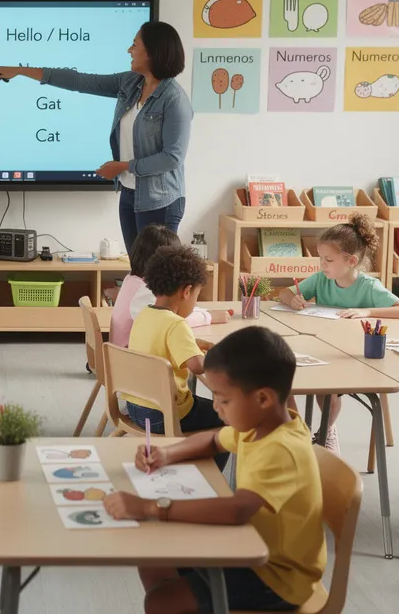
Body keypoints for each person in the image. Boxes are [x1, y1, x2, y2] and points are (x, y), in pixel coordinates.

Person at [104, 327, 325, 613]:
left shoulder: (281, 449)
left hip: (277, 576)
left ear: (263, 399)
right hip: (248, 544)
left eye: (224, 399)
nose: (217, 407)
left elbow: (237, 511)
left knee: (160, 602)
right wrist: (166, 454)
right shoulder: (260, 424)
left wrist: (150, 507)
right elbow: (213, 440)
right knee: (152, 555)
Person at [0, 21, 192, 255]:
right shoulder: (131, 83)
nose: (129, 50)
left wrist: (124, 166)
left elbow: (172, 157)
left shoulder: (174, 99)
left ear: (152, 53)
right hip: (130, 193)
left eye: (134, 45)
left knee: (155, 274)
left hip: (160, 200)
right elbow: (79, 81)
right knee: (138, 270)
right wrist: (19, 71)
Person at [273, 214, 399, 452]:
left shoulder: (369, 287)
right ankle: (296, 435)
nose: (322, 265)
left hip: (352, 356)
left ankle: (327, 430)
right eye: (320, 258)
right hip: (320, 350)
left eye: (328, 259)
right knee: (284, 381)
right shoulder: (321, 279)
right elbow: (285, 293)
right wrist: (292, 299)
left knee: (325, 393)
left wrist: (367, 311)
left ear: (351, 260)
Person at [125, 246, 230, 447]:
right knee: (228, 415)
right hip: (165, 414)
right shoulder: (176, 324)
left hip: (135, 408)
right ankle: (208, 466)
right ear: (187, 292)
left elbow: (158, 344)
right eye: (197, 296)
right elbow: (198, 366)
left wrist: (193, 345)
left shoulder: (144, 315)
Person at [110, 224, 224, 349]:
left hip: (124, 354)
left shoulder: (131, 280)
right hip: (132, 356)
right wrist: (208, 317)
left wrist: (203, 311)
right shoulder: (145, 292)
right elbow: (171, 323)